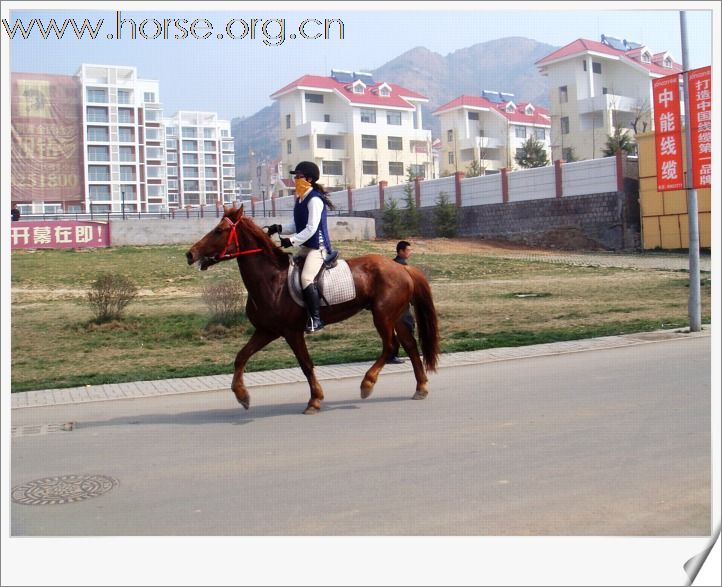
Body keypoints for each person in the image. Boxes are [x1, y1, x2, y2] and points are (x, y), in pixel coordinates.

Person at [266, 161, 335, 333]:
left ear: (309, 179)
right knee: (288, 270)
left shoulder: (315, 201)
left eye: (299, 176)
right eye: (295, 176)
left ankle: (316, 319)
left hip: (318, 247)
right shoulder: (301, 198)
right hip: (306, 246)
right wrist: (277, 228)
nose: (295, 179)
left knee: (306, 278)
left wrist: (291, 241)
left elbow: (311, 228)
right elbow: (296, 225)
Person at [388, 240, 416, 364]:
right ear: (401, 251)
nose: (410, 252)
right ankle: (392, 355)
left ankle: (399, 352)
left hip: (399, 303)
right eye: (408, 250)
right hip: (398, 304)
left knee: (405, 327)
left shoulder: (395, 264)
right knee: (404, 327)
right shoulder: (399, 267)